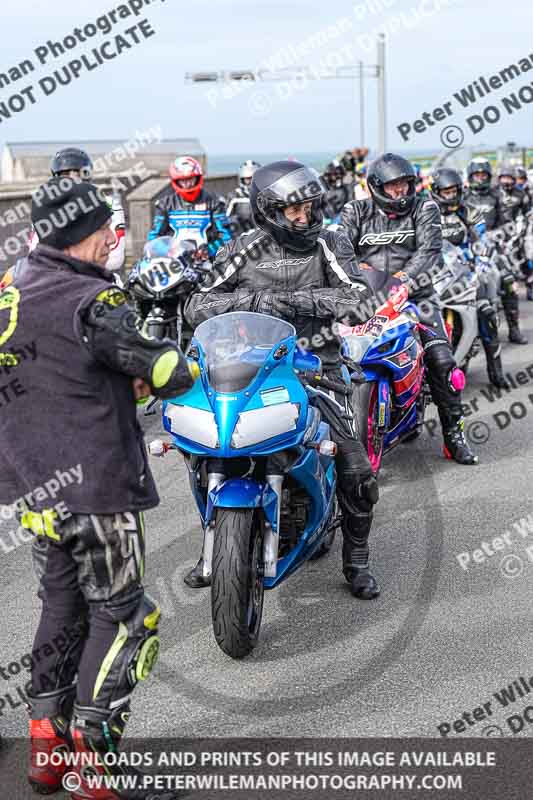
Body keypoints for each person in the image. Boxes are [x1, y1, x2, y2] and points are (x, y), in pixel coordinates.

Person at [1, 177, 196, 798]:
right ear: (91, 234)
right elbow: (168, 369)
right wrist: (165, 369)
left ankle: (46, 752)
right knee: (126, 620)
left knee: (61, 608)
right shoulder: (98, 302)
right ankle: (96, 761)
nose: (115, 238)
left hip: (35, 489)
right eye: (108, 229)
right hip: (96, 490)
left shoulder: (9, 290)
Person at [184, 160, 382, 600]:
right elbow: (195, 304)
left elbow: (360, 297)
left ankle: (357, 562)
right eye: (294, 210)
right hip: (253, 369)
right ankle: (213, 551)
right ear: (268, 210)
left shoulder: (330, 242)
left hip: (320, 369)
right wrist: (254, 300)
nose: (304, 217)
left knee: (357, 470)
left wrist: (295, 303)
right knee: (206, 449)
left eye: (310, 207)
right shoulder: (243, 247)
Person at [341, 153, 478, 465]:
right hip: (368, 297)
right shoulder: (355, 210)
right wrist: (352, 277)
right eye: (392, 186)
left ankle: (454, 436)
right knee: (331, 356)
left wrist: (404, 279)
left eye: (404, 184)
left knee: (443, 362)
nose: (400, 191)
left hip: (418, 296)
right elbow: (342, 250)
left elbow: (429, 249)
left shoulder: (425, 207)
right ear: (376, 186)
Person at [430, 167, 509, 389]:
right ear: (436, 191)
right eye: (446, 192)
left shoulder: (469, 212)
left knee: (487, 313)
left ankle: (496, 371)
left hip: (465, 272)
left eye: (454, 190)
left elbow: (481, 236)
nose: (451, 195)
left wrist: (482, 256)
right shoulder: (427, 212)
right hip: (434, 274)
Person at [464, 159, 528, 344]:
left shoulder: (497, 195)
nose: (480, 178)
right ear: (471, 176)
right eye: (477, 175)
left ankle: (514, 329)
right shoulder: (464, 196)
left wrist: (499, 239)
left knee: (508, 280)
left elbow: (507, 222)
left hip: (493, 246)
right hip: (467, 248)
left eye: (484, 175)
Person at [147, 155, 231, 258]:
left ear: (197, 178)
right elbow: (154, 237)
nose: (187, 184)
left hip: (206, 260)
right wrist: (168, 250)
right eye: (183, 180)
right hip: (174, 260)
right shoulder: (165, 204)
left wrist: (209, 250)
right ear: (176, 181)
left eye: (190, 179)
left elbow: (226, 237)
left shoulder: (215, 202)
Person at [226, 159, 262, 233]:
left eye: (253, 178)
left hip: (263, 234)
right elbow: (226, 218)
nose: (250, 182)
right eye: (248, 179)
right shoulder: (234, 196)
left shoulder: (265, 195)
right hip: (242, 236)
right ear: (242, 179)